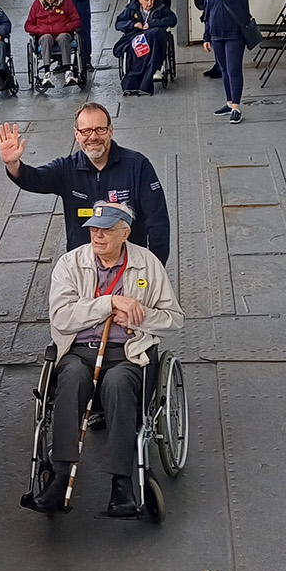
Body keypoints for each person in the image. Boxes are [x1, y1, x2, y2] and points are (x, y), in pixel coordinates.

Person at [23, 201, 184, 516]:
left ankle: (122, 484)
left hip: (127, 353)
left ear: (124, 232)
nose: (97, 236)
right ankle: (60, 476)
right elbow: (61, 317)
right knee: (70, 378)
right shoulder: (70, 264)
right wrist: (108, 303)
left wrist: (139, 317)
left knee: (119, 383)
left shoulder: (148, 264)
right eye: (94, 229)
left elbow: (174, 318)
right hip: (80, 351)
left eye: (107, 230)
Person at [0, 103, 171, 261]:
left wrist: (154, 269)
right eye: (86, 131)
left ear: (111, 130)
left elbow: (158, 222)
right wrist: (13, 164)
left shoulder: (137, 166)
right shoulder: (67, 169)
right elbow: (33, 179)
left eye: (100, 129)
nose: (93, 137)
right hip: (83, 268)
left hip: (129, 265)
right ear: (76, 135)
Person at [203, 0, 251, 124]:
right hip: (217, 36)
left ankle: (237, 108)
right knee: (224, 70)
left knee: (233, 70)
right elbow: (209, 12)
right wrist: (207, 36)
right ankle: (229, 102)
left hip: (234, 35)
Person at [114, 0, 177, 96]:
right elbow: (118, 23)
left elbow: (173, 19)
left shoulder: (160, 6)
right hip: (137, 36)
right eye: (147, 0)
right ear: (140, 0)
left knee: (156, 33)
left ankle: (147, 75)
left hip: (155, 38)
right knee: (144, 39)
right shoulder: (132, 8)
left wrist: (153, 24)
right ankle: (141, 77)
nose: (150, 3)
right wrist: (132, 25)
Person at [24, 0, 81, 89]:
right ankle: (46, 73)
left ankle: (68, 72)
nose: (49, 1)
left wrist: (65, 27)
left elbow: (77, 21)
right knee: (46, 38)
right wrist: (40, 30)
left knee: (64, 37)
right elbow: (28, 25)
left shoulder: (66, 2)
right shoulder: (37, 5)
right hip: (44, 35)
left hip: (63, 33)